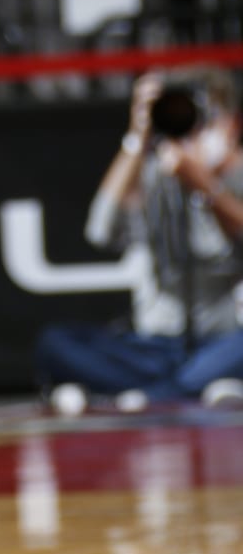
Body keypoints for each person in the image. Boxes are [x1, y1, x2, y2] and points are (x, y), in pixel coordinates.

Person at [38, 74, 243, 413]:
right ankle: (190, 387)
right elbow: (101, 230)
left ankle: (140, 396)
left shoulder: (234, 176)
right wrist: (138, 137)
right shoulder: (152, 174)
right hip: (153, 347)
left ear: (230, 124)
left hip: (218, 341)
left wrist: (203, 184)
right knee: (55, 342)